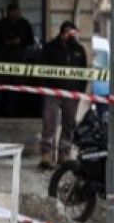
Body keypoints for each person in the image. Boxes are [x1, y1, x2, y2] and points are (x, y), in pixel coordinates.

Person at [38, 20, 89, 170]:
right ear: (64, 33)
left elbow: (84, 72)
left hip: (71, 94)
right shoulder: (50, 48)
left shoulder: (79, 50)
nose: (74, 36)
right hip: (52, 93)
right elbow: (41, 69)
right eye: (72, 33)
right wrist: (46, 88)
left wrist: (80, 91)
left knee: (69, 124)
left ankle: (63, 155)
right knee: (49, 124)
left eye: (76, 33)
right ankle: (46, 155)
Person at [0, 3, 36, 115]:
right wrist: (5, 42)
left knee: (16, 88)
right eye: (12, 13)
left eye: (16, 13)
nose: (14, 15)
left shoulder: (24, 24)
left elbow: (31, 40)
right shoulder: (2, 23)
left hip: (19, 60)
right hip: (2, 60)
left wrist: (20, 42)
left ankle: (13, 111)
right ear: (8, 13)